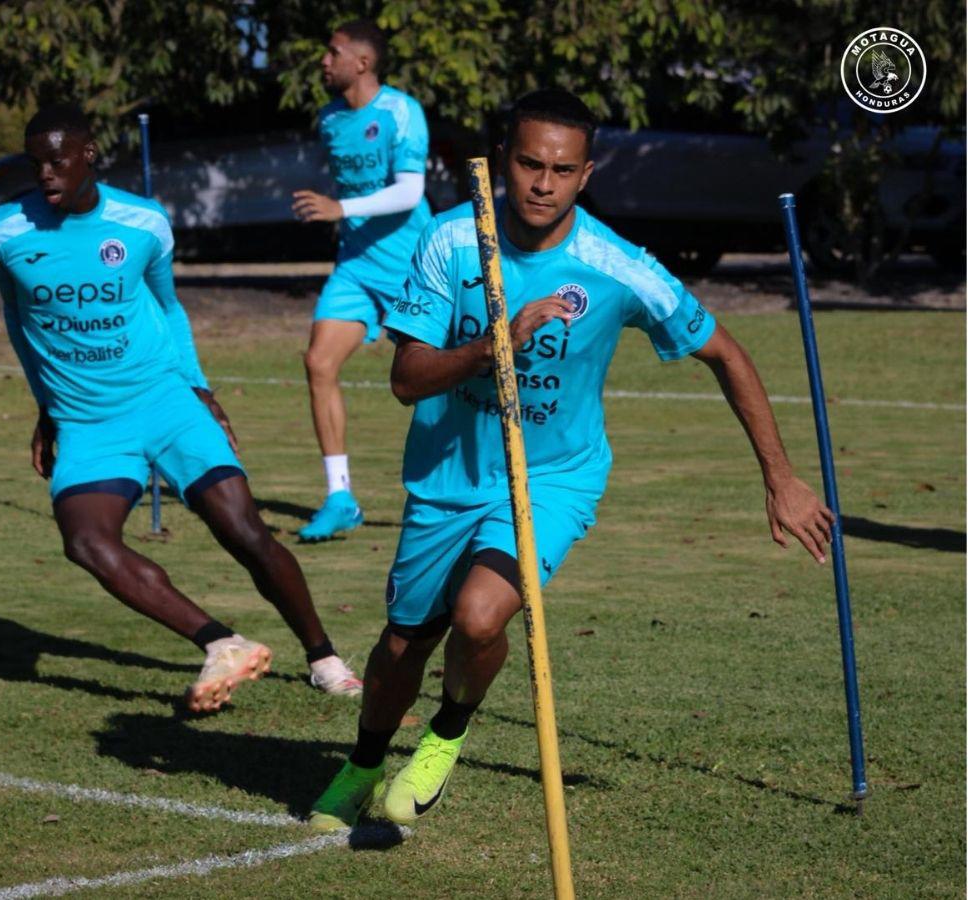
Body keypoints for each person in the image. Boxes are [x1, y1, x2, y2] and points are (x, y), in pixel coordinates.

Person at [309, 89, 835, 830]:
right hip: (446, 474)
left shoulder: (616, 264)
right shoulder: (450, 241)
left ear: (585, 175)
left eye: (562, 169)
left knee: (481, 615)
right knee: (403, 644)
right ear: (505, 162)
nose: (542, 184)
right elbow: (406, 379)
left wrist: (781, 478)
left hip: (555, 476)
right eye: (529, 163)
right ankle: (364, 762)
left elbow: (724, 350)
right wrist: (501, 342)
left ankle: (444, 740)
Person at [0, 104, 363, 711]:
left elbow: (169, 306)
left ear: (89, 155)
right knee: (85, 542)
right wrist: (45, 404)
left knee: (242, 530)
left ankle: (323, 654)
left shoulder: (143, 222)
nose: (46, 174)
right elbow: (18, 320)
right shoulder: (2, 232)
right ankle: (221, 643)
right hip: (86, 419)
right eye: (36, 164)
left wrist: (198, 386)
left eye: (58, 160)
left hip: (164, 400)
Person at [291, 19, 431, 542]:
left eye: (333, 53)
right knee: (318, 361)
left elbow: (410, 192)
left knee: (435, 384)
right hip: (355, 266)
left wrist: (338, 207)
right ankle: (340, 496)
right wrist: (336, 215)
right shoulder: (329, 120)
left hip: (413, 267)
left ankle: (470, 489)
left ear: (363, 63)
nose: (324, 62)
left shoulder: (401, 111)